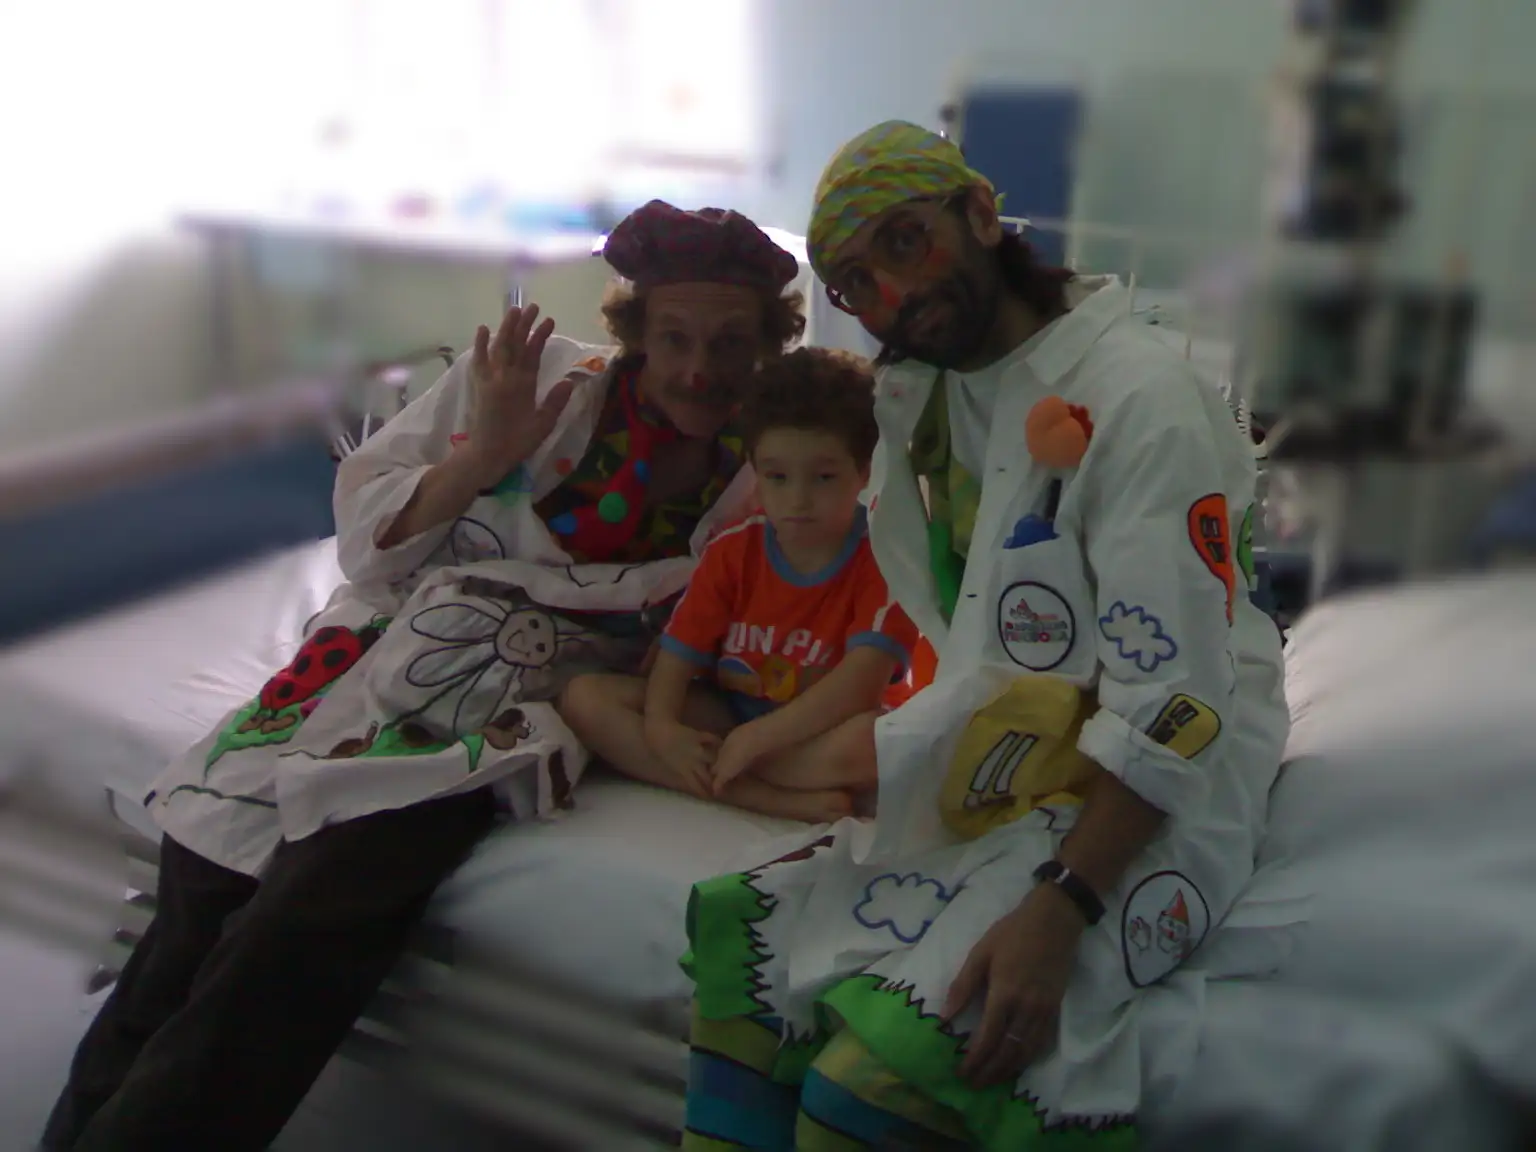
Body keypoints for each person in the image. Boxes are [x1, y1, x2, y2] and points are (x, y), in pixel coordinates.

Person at [40, 200, 807, 1152]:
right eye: (676, 337)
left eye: (730, 344)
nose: (699, 369)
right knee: (201, 876)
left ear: (768, 345)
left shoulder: (775, 471)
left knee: (308, 916)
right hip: (375, 644)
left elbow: (767, 626)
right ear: (637, 331)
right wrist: (485, 455)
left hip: (504, 699)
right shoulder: (530, 383)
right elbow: (366, 545)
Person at [678, 122, 1292, 1149]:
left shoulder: (1144, 404)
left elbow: (1177, 707)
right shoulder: (936, 395)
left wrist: (1063, 906)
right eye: (856, 283)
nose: (890, 294)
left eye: (904, 241)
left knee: (867, 1085)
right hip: (1016, 760)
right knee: (743, 963)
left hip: (1150, 790)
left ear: (977, 213)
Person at [560, 347, 920, 824]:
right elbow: (678, 653)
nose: (798, 499)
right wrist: (663, 727)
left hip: (820, 729)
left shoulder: (884, 557)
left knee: (884, 742)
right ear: (755, 470)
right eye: (778, 477)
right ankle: (768, 798)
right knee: (584, 699)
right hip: (729, 712)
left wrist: (756, 741)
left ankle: (736, 771)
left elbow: (858, 687)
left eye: (824, 477)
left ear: (865, 471)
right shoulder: (733, 549)